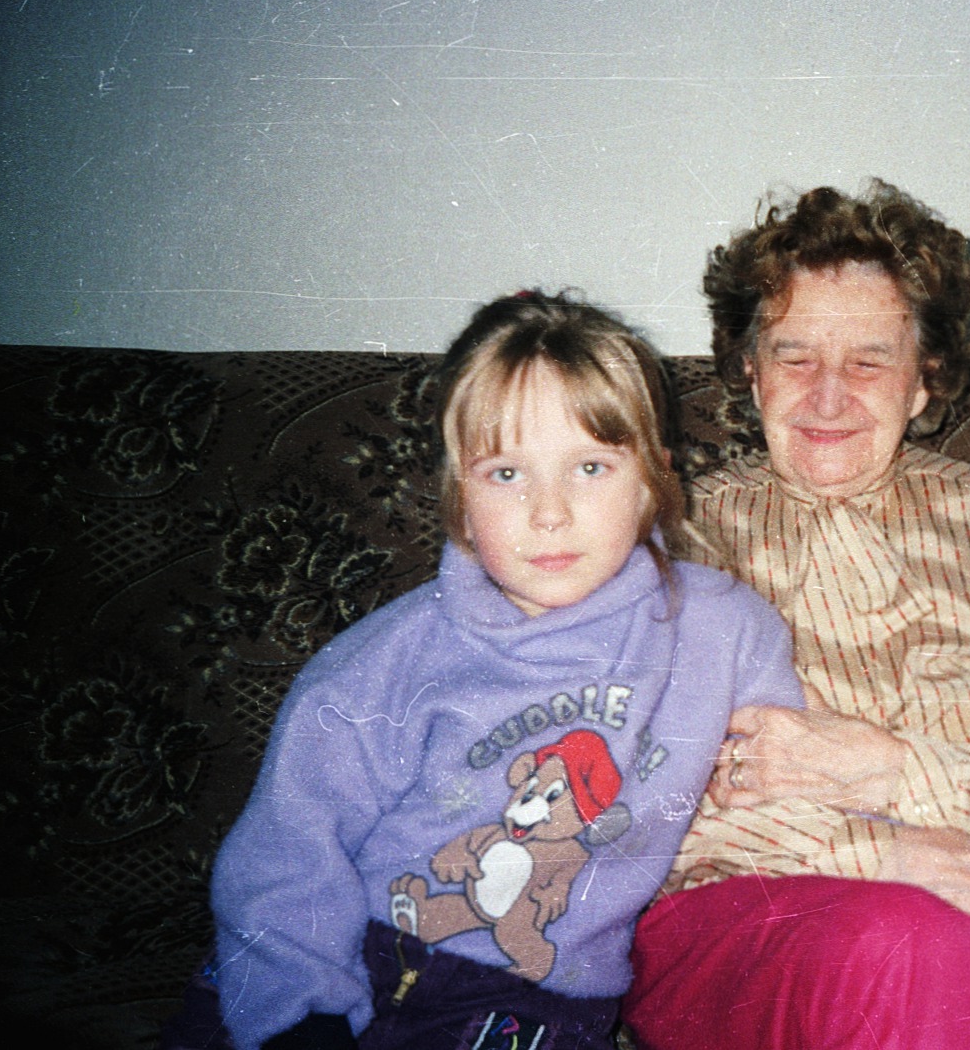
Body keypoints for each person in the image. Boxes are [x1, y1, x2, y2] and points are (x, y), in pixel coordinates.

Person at [623, 182, 970, 1050]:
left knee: (949, 968)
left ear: (924, 381)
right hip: (755, 941)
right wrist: (894, 858)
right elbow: (634, 808)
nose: (828, 396)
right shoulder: (666, 542)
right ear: (750, 369)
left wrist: (889, 771)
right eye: (795, 356)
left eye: (870, 361)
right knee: (920, 951)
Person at [190, 292, 803, 1050]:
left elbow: (795, 789)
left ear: (652, 480)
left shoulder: (726, 630)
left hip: (537, 991)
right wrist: (302, 1016)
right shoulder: (383, 661)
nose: (550, 513)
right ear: (457, 495)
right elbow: (288, 852)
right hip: (343, 958)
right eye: (506, 474)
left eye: (590, 467)